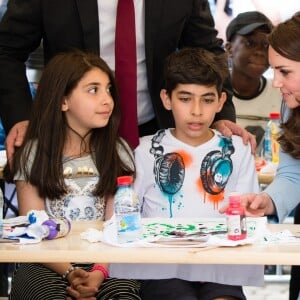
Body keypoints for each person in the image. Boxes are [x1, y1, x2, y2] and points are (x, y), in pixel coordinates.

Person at [0, 0, 255, 161]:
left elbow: (208, 50)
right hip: (71, 133)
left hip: (154, 130)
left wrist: (221, 114)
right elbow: (7, 51)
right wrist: (22, 117)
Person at [110, 48, 263, 300]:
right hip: (162, 269)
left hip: (221, 269)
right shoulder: (143, 151)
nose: (196, 110)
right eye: (185, 98)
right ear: (166, 99)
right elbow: (125, 220)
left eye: (207, 99)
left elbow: (250, 219)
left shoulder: (238, 150)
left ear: (221, 102)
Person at [5, 51, 141, 300]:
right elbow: (33, 227)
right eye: (93, 90)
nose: (107, 100)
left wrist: (98, 272)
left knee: (123, 294)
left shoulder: (118, 151)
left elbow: (118, 226)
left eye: (109, 90)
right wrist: (70, 272)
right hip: (45, 261)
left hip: (106, 260)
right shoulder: (34, 153)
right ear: (63, 101)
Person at [218, 12, 300, 300]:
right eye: (274, 70)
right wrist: (268, 200)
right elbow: (293, 174)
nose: (275, 82)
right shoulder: (292, 105)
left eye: (285, 72)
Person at [225, 11, 282, 152]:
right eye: (250, 43)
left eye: (266, 45)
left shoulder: (283, 94)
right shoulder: (212, 95)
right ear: (229, 49)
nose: (260, 52)